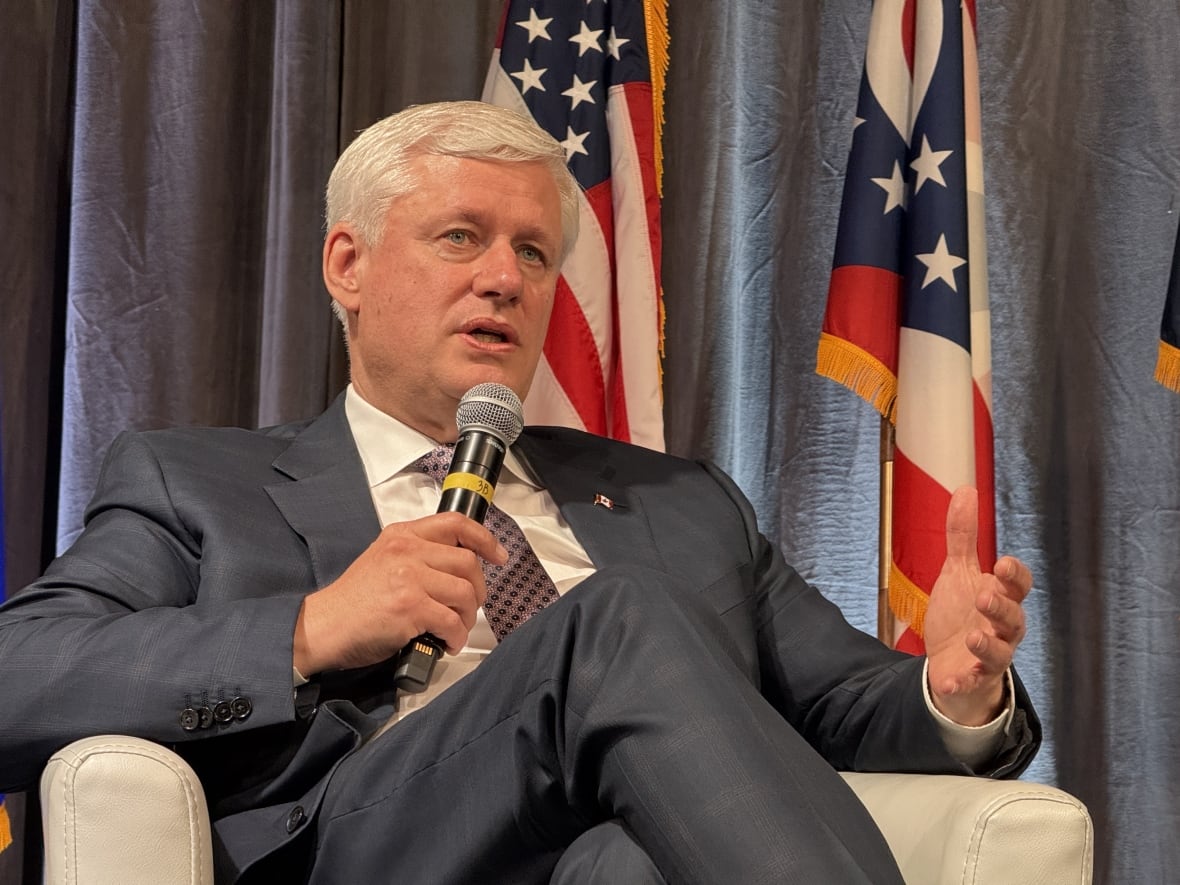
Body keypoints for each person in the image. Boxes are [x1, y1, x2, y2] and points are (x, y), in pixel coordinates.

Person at [0, 100, 1038, 884]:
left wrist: (951, 690)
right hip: (364, 843)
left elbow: (842, 708)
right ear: (347, 265)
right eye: (461, 237)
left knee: (634, 862)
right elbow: (20, 676)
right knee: (611, 622)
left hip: (600, 853)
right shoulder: (198, 484)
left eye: (533, 253)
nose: (505, 277)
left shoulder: (680, 502)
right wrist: (312, 629)